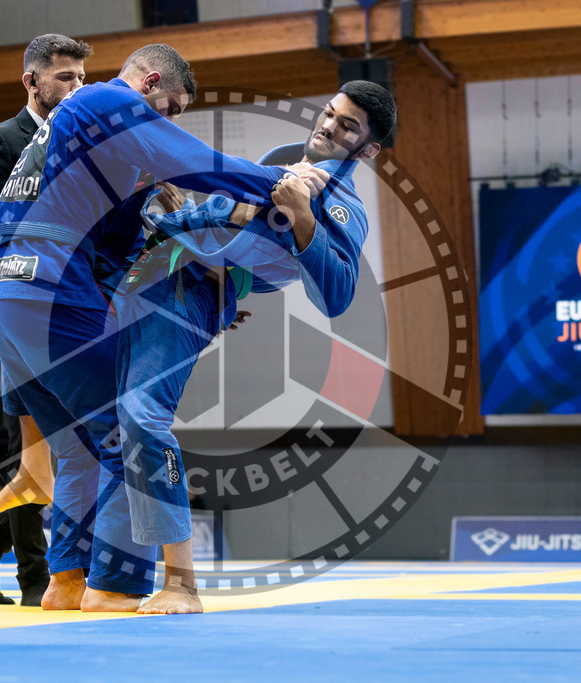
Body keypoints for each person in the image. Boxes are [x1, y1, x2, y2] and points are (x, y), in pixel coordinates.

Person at [0, 42, 327, 614]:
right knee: (123, 434)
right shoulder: (107, 101)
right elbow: (195, 162)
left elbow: (120, 247)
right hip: (50, 290)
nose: (166, 122)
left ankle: (65, 583)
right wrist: (282, 183)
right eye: (169, 108)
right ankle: (113, 585)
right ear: (151, 82)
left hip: (3, 294)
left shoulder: (73, 130)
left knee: (75, 452)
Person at [112, 80, 395, 614]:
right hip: (157, 271)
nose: (330, 126)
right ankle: (91, 576)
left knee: (141, 415)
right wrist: (181, 213)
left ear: (369, 149)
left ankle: (182, 583)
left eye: (348, 126)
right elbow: (229, 222)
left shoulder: (345, 208)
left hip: (189, 293)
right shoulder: (278, 162)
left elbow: (336, 295)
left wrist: (304, 217)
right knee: (97, 418)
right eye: (331, 113)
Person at [0, 33, 90, 607]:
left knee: (56, 446)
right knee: (29, 442)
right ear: (31, 81)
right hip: (8, 309)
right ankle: (37, 578)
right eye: (65, 77)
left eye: (83, 78)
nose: (77, 87)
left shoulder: (82, 142)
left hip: (67, 312)